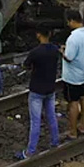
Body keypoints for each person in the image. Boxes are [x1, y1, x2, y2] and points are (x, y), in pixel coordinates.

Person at [18, 27, 60, 159]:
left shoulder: (35, 52)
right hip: (50, 88)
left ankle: (30, 151)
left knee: (35, 121)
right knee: (51, 116)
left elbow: (26, 65)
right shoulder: (55, 50)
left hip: (36, 89)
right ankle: (55, 142)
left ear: (38, 35)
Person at [60, 9, 84, 140]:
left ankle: (73, 131)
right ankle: (83, 125)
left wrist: (62, 51)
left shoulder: (73, 37)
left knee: (73, 102)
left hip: (72, 75)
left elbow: (69, 57)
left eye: (69, 22)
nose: (68, 24)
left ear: (73, 21)